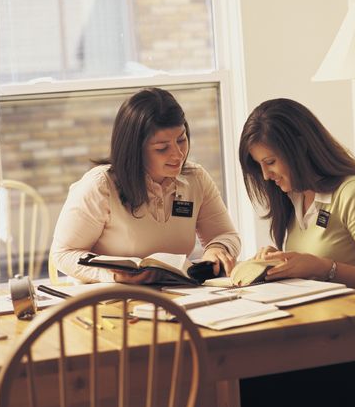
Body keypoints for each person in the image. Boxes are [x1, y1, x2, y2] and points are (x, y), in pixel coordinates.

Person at [238, 98, 355, 407]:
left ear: (300, 145)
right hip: (321, 335)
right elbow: (310, 262)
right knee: (244, 384)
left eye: (271, 161)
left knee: (278, 393)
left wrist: (322, 268)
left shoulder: (353, 193)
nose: (266, 174)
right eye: (259, 165)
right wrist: (277, 262)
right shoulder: (293, 197)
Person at [51, 87, 240, 284]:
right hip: (113, 301)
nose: (178, 154)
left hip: (177, 296)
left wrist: (218, 248)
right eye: (162, 148)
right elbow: (64, 254)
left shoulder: (196, 178)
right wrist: (112, 275)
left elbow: (225, 235)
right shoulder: (100, 186)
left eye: (181, 140)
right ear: (135, 149)